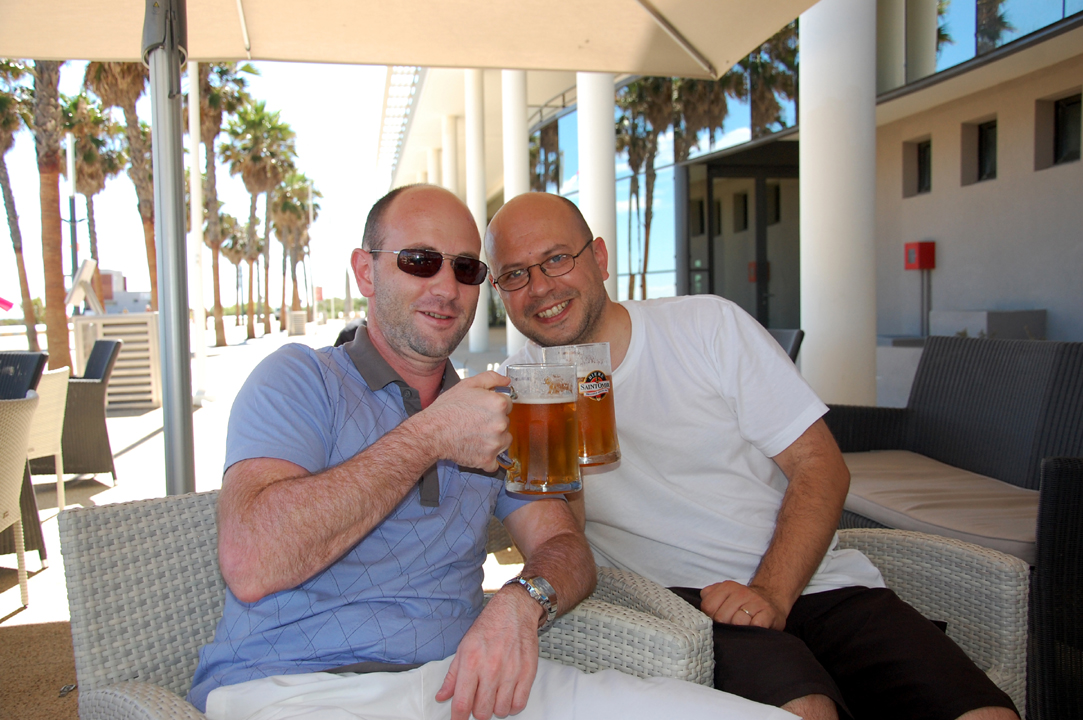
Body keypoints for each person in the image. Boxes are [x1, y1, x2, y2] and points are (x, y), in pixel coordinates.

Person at [187, 184, 796, 720]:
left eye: (466, 269)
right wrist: (429, 436)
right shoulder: (301, 378)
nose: (446, 287)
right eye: (419, 261)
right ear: (365, 273)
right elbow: (252, 560)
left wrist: (521, 602)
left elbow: (565, 547)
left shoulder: (501, 407)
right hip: (295, 689)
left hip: (466, 685)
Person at [487, 191, 1020, 720]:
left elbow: (821, 466)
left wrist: (770, 592)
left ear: (600, 258)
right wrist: (564, 460)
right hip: (687, 609)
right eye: (514, 274)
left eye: (557, 258)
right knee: (805, 711)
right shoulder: (515, 395)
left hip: (817, 582)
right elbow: (564, 544)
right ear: (499, 292)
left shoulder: (707, 326)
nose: (540, 286)